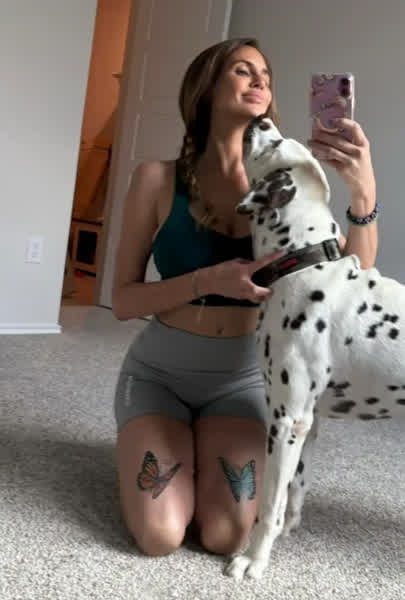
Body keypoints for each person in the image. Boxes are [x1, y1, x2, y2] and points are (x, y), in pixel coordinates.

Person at [112, 38, 378, 557]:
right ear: (207, 87)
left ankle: (193, 448)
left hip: (245, 383)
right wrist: (208, 281)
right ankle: (162, 442)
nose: (260, 81)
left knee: (228, 534)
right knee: (161, 536)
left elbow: (354, 275)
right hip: (159, 377)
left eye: (265, 75)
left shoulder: (290, 176)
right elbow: (123, 300)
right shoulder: (157, 179)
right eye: (242, 70)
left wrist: (363, 192)